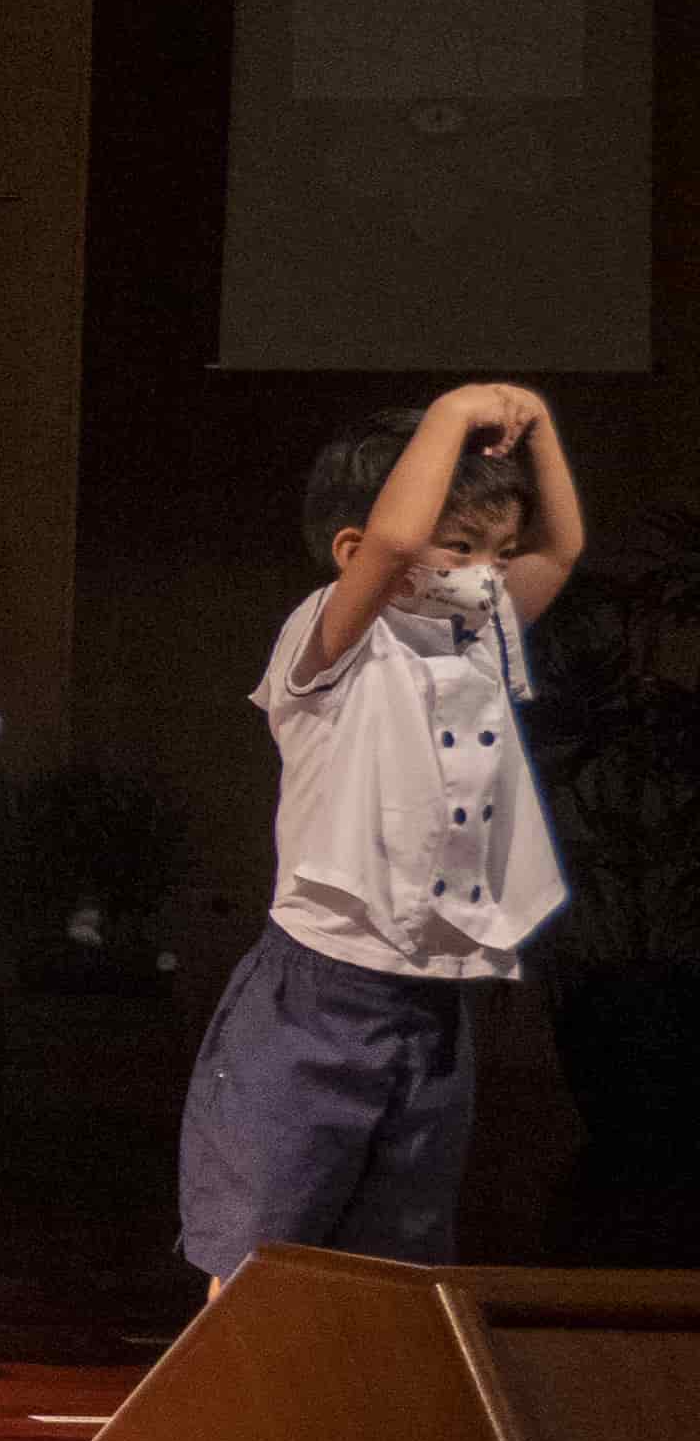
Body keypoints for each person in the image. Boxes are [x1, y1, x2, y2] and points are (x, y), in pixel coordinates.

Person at [176, 387, 581, 1296]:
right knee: (263, 1246)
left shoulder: (480, 639)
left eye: (494, 555)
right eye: (462, 547)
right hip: (318, 992)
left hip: (430, 1007)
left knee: (392, 1258)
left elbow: (560, 548)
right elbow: (396, 541)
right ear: (353, 552)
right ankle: (232, 1422)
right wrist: (451, 412)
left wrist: (539, 426)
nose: (484, 572)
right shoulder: (330, 643)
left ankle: (349, 1431)